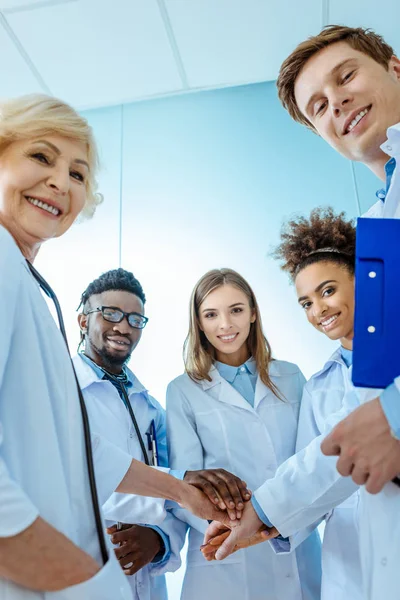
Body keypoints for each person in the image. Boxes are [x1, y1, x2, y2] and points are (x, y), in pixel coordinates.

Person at [0, 93, 238, 599]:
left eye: (78, 174)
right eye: (41, 157)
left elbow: (79, 451)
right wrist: (81, 580)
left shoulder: (24, 283)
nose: (61, 182)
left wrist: (179, 491)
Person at [203, 25, 400, 600]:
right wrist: (264, 510)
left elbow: (379, 420)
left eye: (346, 77)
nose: (336, 102)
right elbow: (355, 436)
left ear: (395, 68)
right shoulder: (383, 220)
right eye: (319, 106)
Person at [202, 208, 362, 600]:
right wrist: (261, 525)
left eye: (328, 291)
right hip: (348, 563)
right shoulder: (320, 385)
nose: (318, 310)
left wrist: (264, 512)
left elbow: (339, 454)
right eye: (305, 302)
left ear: (363, 281)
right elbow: (311, 473)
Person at [74, 268, 250, 599]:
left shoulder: (151, 407)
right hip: (80, 567)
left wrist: (158, 539)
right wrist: (181, 484)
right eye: (110, 313)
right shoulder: (60, 390)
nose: (123, 326)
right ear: (84, 319)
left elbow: (176, 502)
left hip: (145, 583)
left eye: (136, 319)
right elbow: (76, 471)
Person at [166, 268, 322, 600]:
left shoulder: (291, 377)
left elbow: (314, 465)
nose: (225, 324)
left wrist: (278, 520)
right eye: (211, 314)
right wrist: (233, 525)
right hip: (224, 558)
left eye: (236, 310)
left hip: (295, 542)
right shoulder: (182, 391)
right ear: (199, 322)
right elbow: (185, 487)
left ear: (253, 313)